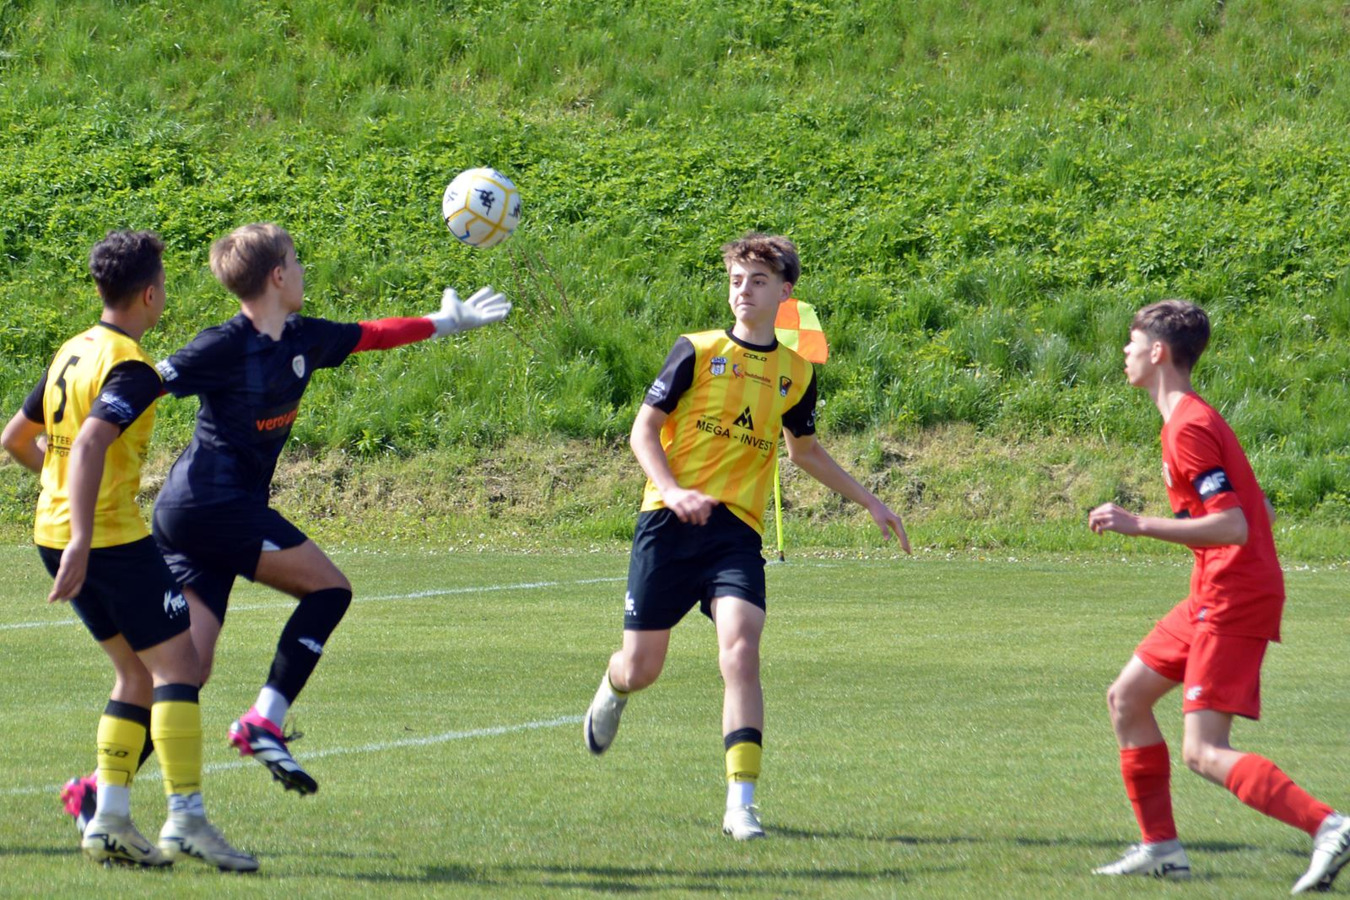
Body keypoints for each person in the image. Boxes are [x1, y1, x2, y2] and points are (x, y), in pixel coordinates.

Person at [54, 222, 510, 817]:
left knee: (187, 671)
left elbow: (372, 334)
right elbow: (152, 379)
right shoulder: (222, 345)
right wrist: (98, 424)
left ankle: (96, 789)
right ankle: (263, 722)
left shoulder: (304, 338)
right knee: (329, 589)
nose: (301, 270)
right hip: (211, 506)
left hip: (196, 517)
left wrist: (444, 322)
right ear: (276, 276)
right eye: (295, 261)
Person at [582, 233, 910, 840]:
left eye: (758, 281)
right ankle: (614, 685)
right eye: (736, 280)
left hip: (735, 532)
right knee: (642, 667)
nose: (743, 291)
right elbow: (642, 432)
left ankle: (742, 804)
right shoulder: (697, 350)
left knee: (741, 650)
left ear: (785, 292)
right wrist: (672, 490)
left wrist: (870, 500)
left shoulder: (796, 373)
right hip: (667, 523)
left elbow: (805, 451)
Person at [1, 230, 257, 870]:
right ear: (150, 294)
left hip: (52, 534)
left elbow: (16, 440)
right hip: (106, 540)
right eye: (164, 285)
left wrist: (64, 508)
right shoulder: (131, 365)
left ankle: (110, 818)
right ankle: (187, 819)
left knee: (136, 676)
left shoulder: (72, 349)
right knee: (180, 669)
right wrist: (85, 536)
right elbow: (90, 442)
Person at [1087, 299, 1349, 893]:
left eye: (1132, 343)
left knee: (1204, 751)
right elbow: (1259, 511)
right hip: (1214, 589)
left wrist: (1139, 524)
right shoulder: (1189, 419)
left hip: (1234, 596)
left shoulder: (1189, 426)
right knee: (1127, 698)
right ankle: (1161, 849)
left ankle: (1329, 825)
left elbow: (1234, 525)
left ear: (1158, 352)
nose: (1124, 353)